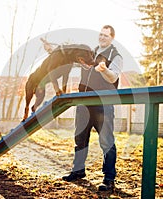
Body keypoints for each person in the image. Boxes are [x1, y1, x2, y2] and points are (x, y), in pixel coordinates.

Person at [61, 25, 123, 191]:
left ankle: (109, 179)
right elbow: (71, 62)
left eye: (106, 35)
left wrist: (104, 70)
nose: (102, 38)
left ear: (112, 38)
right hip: (84, 103)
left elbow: (113, 77)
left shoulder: (116, 56)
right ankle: (78, 170)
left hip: (103, 105)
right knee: (80, 138)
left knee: (107, 142)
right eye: (101, 34)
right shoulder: (90, 53)